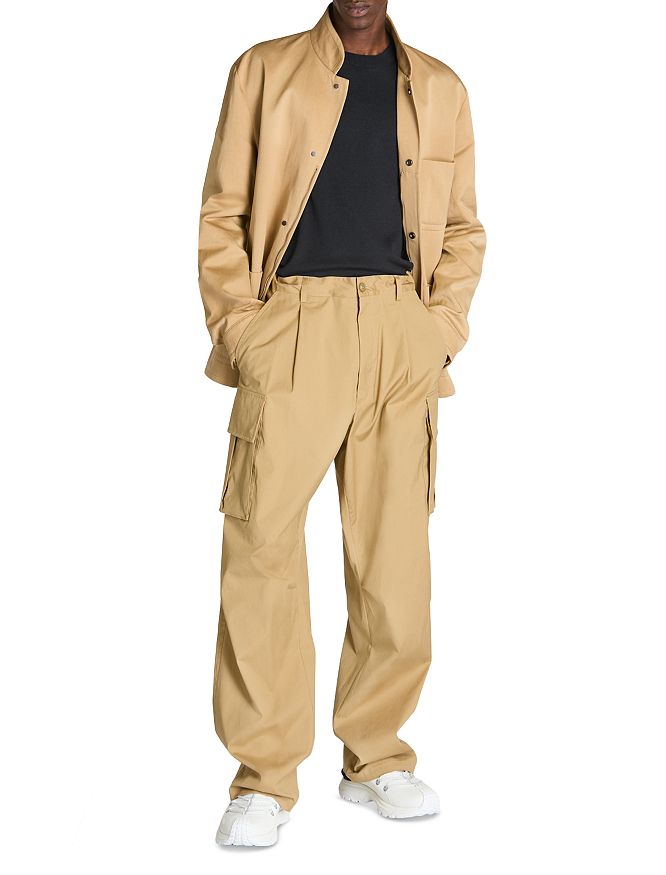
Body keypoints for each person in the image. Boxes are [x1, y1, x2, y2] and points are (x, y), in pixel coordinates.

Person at [198, 0, 486, 847]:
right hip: (291, 325)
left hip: (401, 330)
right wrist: (242, 331)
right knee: (261, 548)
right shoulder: (263, 70)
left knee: (395, 558)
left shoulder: (441, 87)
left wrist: (438, 331)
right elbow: (222, 213)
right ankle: (263, 777)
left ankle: (376, 756)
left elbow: (463, 227)